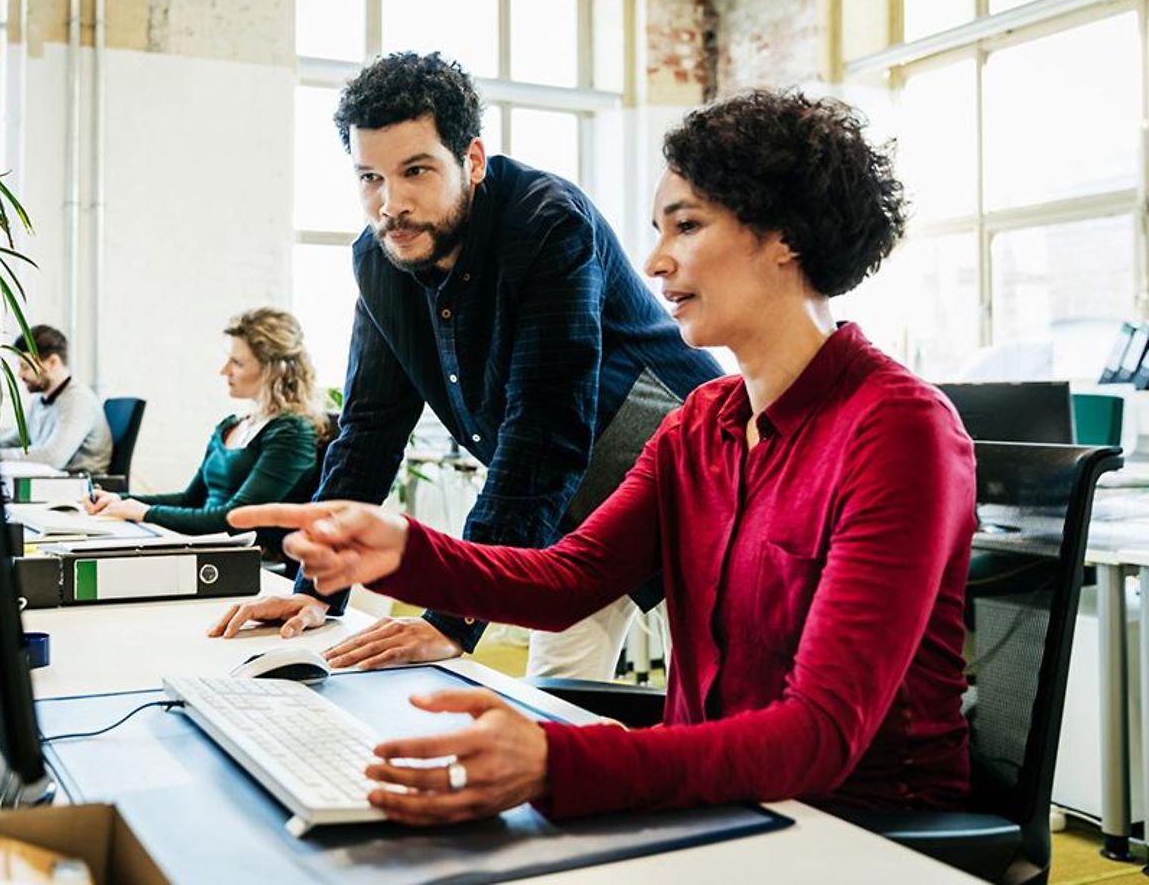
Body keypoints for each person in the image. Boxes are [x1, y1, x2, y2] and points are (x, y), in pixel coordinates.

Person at [228, 90, 976, 825]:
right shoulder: (703, 423)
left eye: (685, 227)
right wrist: (399, 551)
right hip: (722, 805)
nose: (653, 261)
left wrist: (558, 762)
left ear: (784, 235)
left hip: (862, 832)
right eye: (658, 229)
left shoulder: (897, 429)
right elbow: (569, 580)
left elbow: (816, 738)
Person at [211, 52, 722, 678]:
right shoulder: (382, 261)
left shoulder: (544, 220)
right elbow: (369, 428)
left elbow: (545, 428)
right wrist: (316, 588)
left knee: (729, 693)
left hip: (685, 485)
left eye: (416, 171)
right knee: (558, 703)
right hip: (561, 516)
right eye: (369, 177)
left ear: (472, 160)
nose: (389, 204)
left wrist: (450, 617)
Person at [85, 308, 324, 534]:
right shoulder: (231, 426)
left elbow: (235, 518)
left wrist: (144, 512)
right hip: (208, 544)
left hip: (247, 558)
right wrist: (122, 501)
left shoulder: (291, 432)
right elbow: (191, 499)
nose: (224, 371)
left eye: (237, 363)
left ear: (274, 370)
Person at [0, 324, 112, 474]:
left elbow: (52, 458)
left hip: (77, 488)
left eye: (25, 367)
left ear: (52, 362)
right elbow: (16, 439)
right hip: (53, 483)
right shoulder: (40, 401)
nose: (19, 375)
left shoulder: (78, 401)